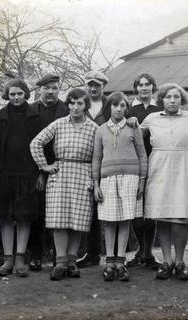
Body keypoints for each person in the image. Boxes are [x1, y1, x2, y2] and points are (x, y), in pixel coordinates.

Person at [30, 88, 98, 280]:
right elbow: (36, 143)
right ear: (67, 104)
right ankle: (60, 263)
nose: (75, 107)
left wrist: (94, 180)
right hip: (60, 174)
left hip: (83, 174)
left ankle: (71, 262)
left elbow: (98, 156)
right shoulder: (58, 124)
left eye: (80, 103)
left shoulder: (93, 128)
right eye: (72, 103)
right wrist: (45, 165)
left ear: (86, 106)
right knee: (59, 219)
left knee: (77, 221)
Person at [140, 83, 188, 281]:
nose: (172, 101)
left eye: (176, 97)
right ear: (162, 100)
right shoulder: (151, 118)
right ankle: (166, 262)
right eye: (168, 97)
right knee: (162, 217)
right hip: (158, 168)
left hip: (183, 168)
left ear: (181, 99)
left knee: (180, 219)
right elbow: (133, 133)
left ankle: (180, 261)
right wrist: (131, 120)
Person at [0, 79, 43, 278]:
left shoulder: (35, 117)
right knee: (5, 217)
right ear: (7, 96)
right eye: (12, 94)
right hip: (4, 174)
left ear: (26, 94)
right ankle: (7, 259)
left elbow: (43, 147)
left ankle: (20, 258)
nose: (16, 97)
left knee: (24, 217)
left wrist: (41, 173)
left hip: (28, 173)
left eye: (19, 93)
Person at [92, 92, 147, 281]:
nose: (118, 109)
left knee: (125, 220)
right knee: (109, 221)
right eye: (115, 105)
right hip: (108, 180)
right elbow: (97, 158)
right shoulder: (100, 130)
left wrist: (142, 180)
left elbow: (142, 155)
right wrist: (96, 184)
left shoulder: (133, 127)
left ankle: (121, 262)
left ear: (126, 108)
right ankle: (109, 262)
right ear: (109, 107)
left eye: (122, 106)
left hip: (130, 179)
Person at [27, 73, 68, 271]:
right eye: (46, 88)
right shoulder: (31, 110)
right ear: (39, 90)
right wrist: (38, 172)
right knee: (37, 213)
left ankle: (57, 256)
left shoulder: (66, 109)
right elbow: (29, 142)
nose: (51, 92)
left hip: (61, 167)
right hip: (37, 167)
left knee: (58, 213)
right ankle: (35, 255)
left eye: (54, 88)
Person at [126, 73, 162, 270]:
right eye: (140, 85)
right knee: (136, 211)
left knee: (151, 210)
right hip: (134, 165)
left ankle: (149, 252)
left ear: (153, 87)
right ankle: (141, 249)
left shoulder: (160, 109)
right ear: (136, 88)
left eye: (147, 84)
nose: (144, 88)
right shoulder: (129, 110)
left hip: (156, 164)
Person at [75, 71, 109, 268]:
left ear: (103, 86)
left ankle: (114, 254)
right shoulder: (80, 104)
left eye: (97, 85)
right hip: (85, 162)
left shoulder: (110, 103)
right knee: (89, 210)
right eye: (90, 85)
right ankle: (92, 253)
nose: (93, 88)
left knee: (108, 209)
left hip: (108, 161)